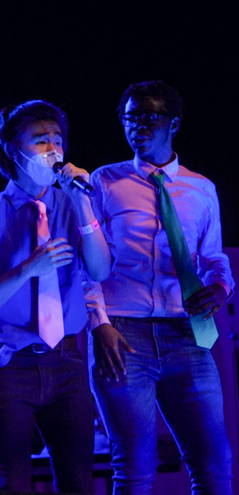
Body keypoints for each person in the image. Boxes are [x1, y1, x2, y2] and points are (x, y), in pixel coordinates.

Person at [0, 100, 111, 493]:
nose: (53, 150)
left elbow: (100, 270)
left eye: (58, 140)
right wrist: (26, 269)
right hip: (8, 364)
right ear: (13, 151)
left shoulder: (71, 204)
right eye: (40, 141)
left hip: (67, 361)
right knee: (10, 483)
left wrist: (83, 203)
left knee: (79, 482)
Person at [88, 81, 233, 495]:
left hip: (185, 331)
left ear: (174, 124)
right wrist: (99, 324)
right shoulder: (105, 181)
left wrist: (221, 286)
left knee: (214, 464)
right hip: (123, 332)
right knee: (134, 467)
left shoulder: (201, 188)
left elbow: (213, 257)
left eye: (149, 117)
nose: (138, 126)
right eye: (130, 118)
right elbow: (87, 264)